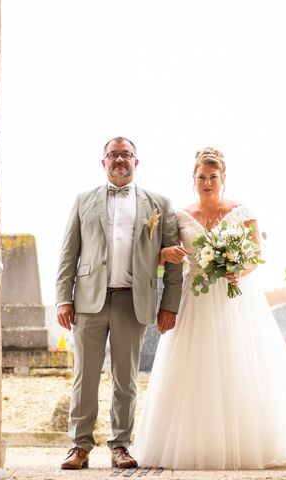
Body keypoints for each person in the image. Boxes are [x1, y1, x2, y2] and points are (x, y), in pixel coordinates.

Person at [132, 147, 286, 470]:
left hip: (236, 297)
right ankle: (196, 443)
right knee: (195, 366)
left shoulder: (242, 211)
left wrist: (239, 268)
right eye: (201, 177)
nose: (207, 182)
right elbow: (159, 254)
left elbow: (255, 253)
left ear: (223, 178)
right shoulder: (179, 216)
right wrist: (168, 254)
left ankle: (251, 441)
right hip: (195, 299)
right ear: (192, 179)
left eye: (213, 177)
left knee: (242, 361)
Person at [55, 137, 183, 470]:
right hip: (87, 301)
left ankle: (121, 445)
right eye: (113, 154)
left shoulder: (159, 204)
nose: (119, 159)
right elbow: (69, 253)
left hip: (133, 301)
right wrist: (62, 299)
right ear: (103, 162)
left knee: (125, 379)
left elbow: (174, 260)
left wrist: (169, 305)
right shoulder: (84, 201)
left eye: (126, 154)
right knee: (84, 377)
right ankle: (79, 447)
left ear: (136, 162)